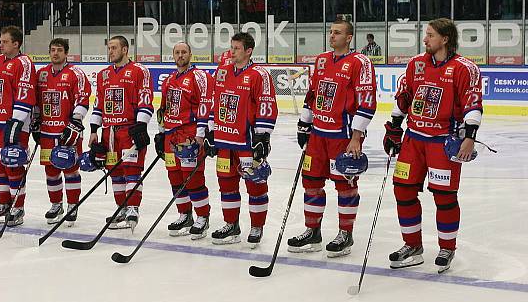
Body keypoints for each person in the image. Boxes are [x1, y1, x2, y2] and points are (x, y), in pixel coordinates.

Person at [384, 18, 483, 272]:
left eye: (430, 35)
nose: (425, 39)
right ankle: (413, 246)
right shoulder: (416, 64)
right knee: (403, 190)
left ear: (445, 39)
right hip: (414, 140)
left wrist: (469, 137)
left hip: (443, 143)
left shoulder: (464, 68)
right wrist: (394, 127)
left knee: (444, 196)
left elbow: (473, 104)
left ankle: (447, 247)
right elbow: (404, 96)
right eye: (425, 35)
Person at [288, 20, 377, 257]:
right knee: (312, 182)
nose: (332, 36)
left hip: (343, 136)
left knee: (345, 186)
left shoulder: (360, 62)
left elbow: (367, 101)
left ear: (349, 38)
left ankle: (345, 234)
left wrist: (357, 136)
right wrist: (304, 124)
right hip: (318, 135)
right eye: (330, 32)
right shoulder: (322, 59)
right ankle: (312, 231)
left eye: (337, 33)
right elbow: (313, 93)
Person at [206, 32, 277, 247]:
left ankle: (257, 226)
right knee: (226, 185)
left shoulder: (259, 75)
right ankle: (231, 224)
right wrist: (211, 131)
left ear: (248, 51)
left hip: (247, 144)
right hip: (225, 142)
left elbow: (266, 105)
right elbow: (214, 101)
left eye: (237, 48)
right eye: (231, 47)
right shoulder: (222, 71)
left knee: (255, 186)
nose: (232, 52)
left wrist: (262, 137)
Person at [89, 35, 153, 230]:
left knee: (131, 169)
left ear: (125, 50)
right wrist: (93, 130)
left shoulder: (139, 71)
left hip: (129, 130)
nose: (110, 52)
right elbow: (99, 104)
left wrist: (141, 125)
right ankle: (121, 209)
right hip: (109, 132)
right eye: (109, 48)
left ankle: (133, 208)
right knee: (114, 171)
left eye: (114, 48)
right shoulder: (103, 75)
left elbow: (146, 99)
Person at [0, 26, 37, 227]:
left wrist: (16, 122)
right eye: (0, 41)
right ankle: (4, 203)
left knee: (13, 164)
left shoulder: (24, 63)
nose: (1, 45)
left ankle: (17, 207)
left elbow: (25, 95)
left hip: (14, 125)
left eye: (5, 41)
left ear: (16, 43)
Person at [156, 42, 213, 239]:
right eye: (177, 52)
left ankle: (202, 217)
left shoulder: (200, 77)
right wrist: (161, 132)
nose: (180, 55)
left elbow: (206, 105)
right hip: (171, 136)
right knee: (175, 177)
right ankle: (184, 214)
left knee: (193, 177)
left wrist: (202, 133)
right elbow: (163, 108)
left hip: (189, 134)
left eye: (184, 52)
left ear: (190, 54)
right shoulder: (170, 79)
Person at [33, 38, 91, 225]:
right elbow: (36, 102)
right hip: (47, 132)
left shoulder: (76, 74)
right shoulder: (41, 74)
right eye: (52, 50)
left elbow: (83, 99)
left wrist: (75, 121)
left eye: (59, 50)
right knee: (51, 171)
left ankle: (72, 206)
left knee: (71, 170)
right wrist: (35, 122)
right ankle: (56, 204)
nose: (55, 53)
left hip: (69, 132)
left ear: (66, 53)